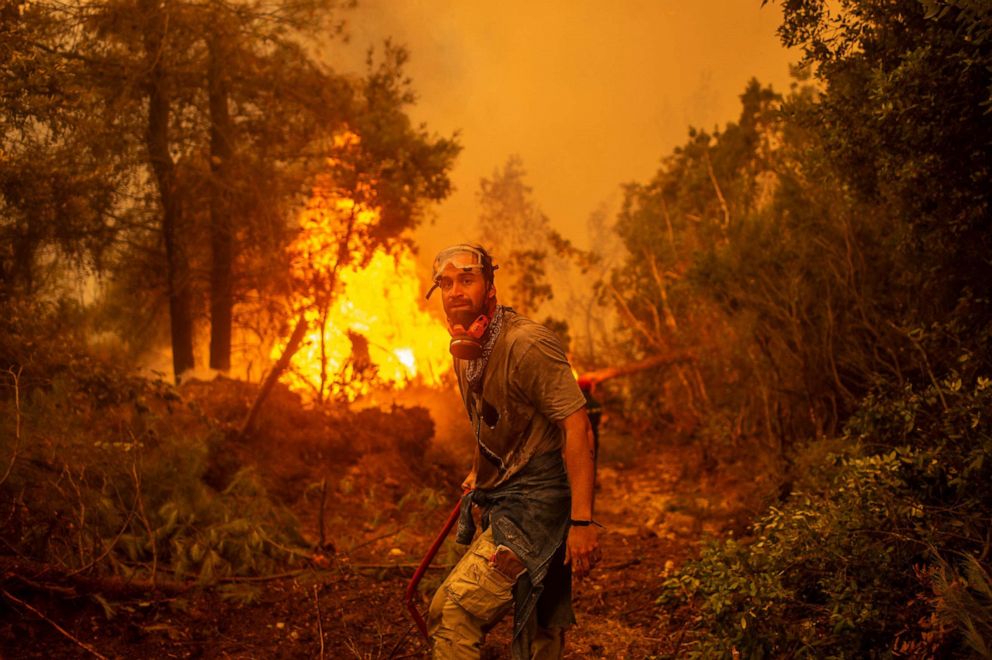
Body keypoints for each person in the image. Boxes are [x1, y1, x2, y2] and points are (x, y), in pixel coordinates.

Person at [423, 243, 600, 659]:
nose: (455, 291)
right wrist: (477, 473)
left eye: (466, 280)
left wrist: (582, 522)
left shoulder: (527, 345)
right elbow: (489, 421)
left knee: (453, 614)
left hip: (538, 508)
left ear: (491, 289)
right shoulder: (465, 353)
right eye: (446, 284)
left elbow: (578, 427)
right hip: (507, 500)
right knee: (539, 627)